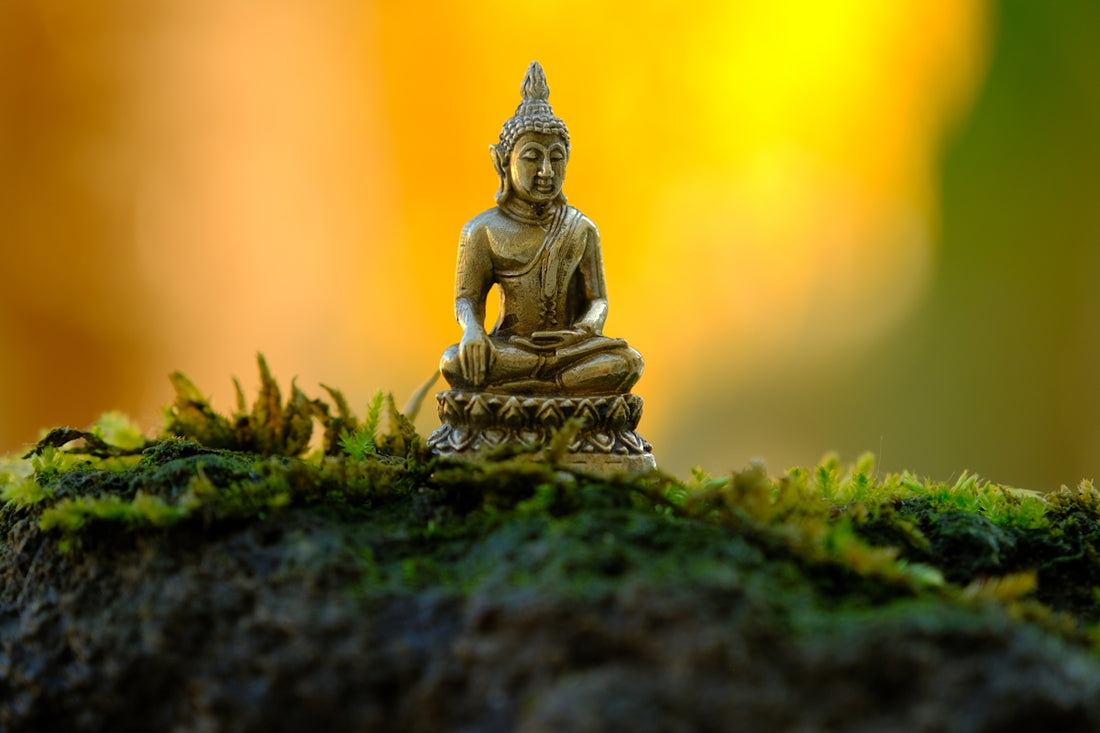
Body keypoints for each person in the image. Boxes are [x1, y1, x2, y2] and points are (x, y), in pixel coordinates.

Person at [439, 61, 643, 396]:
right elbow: (467, 299)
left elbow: (598, 300)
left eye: (557, 158)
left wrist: (582, 332)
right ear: (502, 162)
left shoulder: (581, 229)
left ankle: (536, 390)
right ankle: (555, 392)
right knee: (454, 362)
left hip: (568, 353)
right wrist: (473, 331)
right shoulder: (482, 230)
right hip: (511, 350)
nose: (546, 170)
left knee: (627, 361)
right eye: (532, 157)